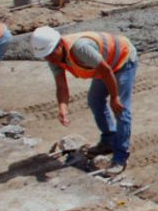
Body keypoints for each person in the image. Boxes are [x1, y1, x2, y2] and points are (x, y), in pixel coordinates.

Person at [31, 27, 139, 177]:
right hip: (104, 66)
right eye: (46, 57)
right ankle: (108, 140)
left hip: (122, 60)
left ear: (60, 44)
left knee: (120, 108)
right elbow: (61, 85)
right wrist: (63, 107)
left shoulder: (80, 48)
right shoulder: (53, 57)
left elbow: (106, 70)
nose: (50, 59)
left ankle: (121, 157)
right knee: (95, 100)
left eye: (51, 54)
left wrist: (114, 97)